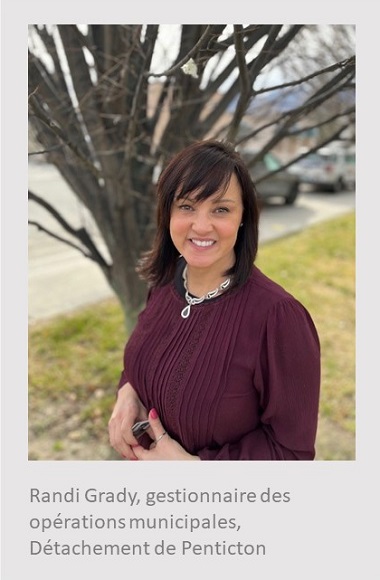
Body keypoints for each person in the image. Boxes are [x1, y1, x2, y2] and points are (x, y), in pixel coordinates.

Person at [108, 139, 320, 461]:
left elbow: (292, 452)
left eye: (221, 209)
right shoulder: (167, 281)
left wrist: (195, 471)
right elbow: (146, 356)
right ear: (168, 213)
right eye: (187, 206)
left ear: (243, 217)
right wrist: (128, 391)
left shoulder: (279, 318)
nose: (202, 226)